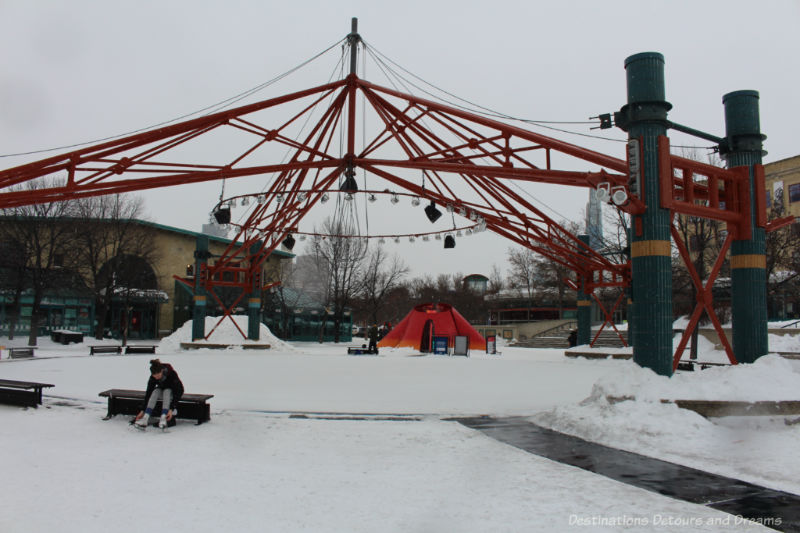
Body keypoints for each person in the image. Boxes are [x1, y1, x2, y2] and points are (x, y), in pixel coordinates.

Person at [134, 359, 184, 429]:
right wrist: (143, 410)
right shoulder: (153, 377)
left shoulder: (172, 374)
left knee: (167, 391)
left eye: (158, 376)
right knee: (155, 391)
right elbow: (149, 392)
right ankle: (145, 417)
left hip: (173, 393)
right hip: (162, 392)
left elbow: (179, 391)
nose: (156, 378)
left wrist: (171, 409)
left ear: (162, 371)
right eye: (155, 377)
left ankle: (163, 417)